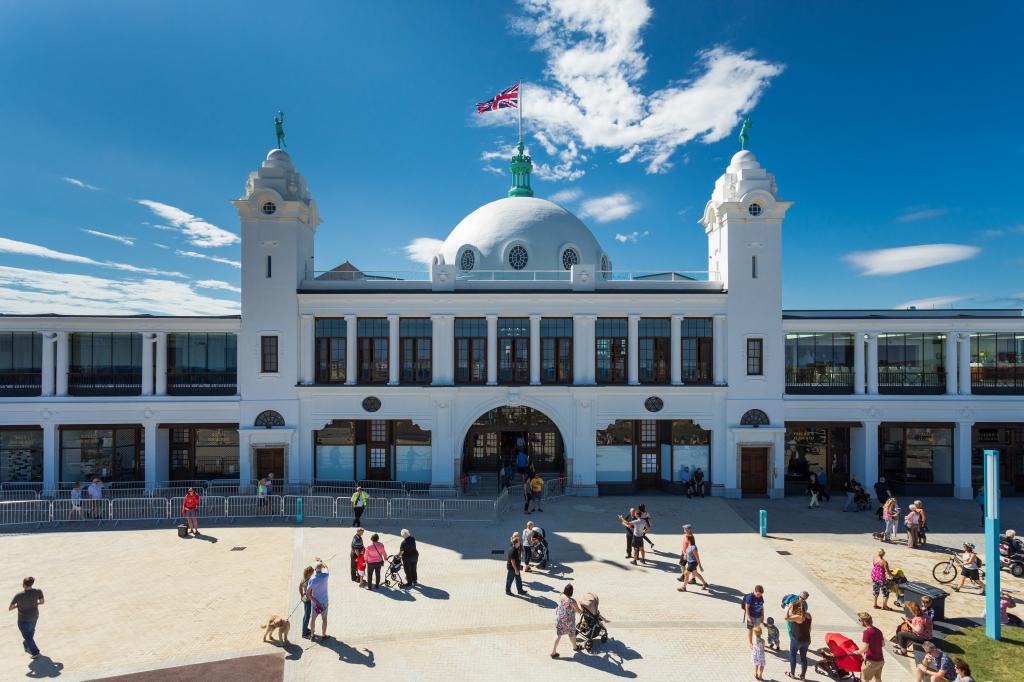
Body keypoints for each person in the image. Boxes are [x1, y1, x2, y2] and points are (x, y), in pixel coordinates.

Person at [8, 576, 44, 659]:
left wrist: (18, 606)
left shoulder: (18, 595)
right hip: (34, 616)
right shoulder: (38, 591)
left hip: (23, 619)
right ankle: (27, 643)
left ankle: (35, 652)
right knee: (30, 631)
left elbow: (10, 608)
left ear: (23, 584)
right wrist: (35, 603)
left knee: (27, 636)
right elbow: (42, 602)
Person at [550, 583, 583, 658]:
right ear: (571, 592)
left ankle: (553, 652)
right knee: (572, 634)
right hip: (569, 622)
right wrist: (582, 612)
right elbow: (578, 611)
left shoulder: (561, 595)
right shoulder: (572, 601)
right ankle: (575, 647)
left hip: (560, 619)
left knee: (558, 635)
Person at [785, 603, 812, 680]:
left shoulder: (797, 617)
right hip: (806, 640)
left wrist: (789, 609)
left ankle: (792, 674)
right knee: (803, 657)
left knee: (792, 655)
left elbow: (786, 618)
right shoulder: (808, 615)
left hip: (796, 640)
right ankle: (803, 676)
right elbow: (809, 628)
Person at [857, 611, 885, 682]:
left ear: (864, 621)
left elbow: (865, 648)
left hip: (871, 661)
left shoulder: (867, 632)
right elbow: (883, 644)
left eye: (860, 620)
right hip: (880, 660)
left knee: (864, 679)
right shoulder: (878, 631)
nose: (860, 622)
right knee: (878, 678)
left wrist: (857, 652)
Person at [307, 559, 330, 640]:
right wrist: (322, 562)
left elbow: (308, 594)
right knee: (324, 619)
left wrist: (316, 602)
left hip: (315, 603)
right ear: (321, 568)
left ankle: (312, 635)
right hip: (324, 601)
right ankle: (324, 635)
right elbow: (327, 567)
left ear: (314, 569)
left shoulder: (312, 579)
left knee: (313, 619)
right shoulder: (326, 576)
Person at [298, 565, 314, 639]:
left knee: (305, 615)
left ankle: (305, 629)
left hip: (305, 598)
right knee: (307, 616)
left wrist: (301, 595)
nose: (312, 574)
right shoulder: (308, 580)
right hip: (308, 599)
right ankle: (304, 633)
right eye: (312, 573)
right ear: (309, 573)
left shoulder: (303, 578)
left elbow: (299, 587)